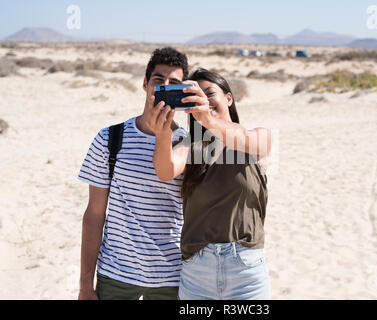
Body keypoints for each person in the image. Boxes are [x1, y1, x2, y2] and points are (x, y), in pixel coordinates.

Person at [144, 68, 272, 300]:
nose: (203, 100)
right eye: (195, 95)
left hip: (245, 269)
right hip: (197, 271)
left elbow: (257, 145)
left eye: (209, 93)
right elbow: (165, 171)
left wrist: (208, 119)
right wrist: (162, 133)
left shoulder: (257, 135)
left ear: (229, 98)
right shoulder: (190, 145)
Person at [77, 47, 189, 300]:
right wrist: (85, 285)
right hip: (115, 276)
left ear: (182, 92)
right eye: (158, 81)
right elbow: (94, 214)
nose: (164, 88)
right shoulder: (109, 138)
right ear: (145, 84)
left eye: (174, 84)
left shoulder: (189, 144)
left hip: (172, 279)